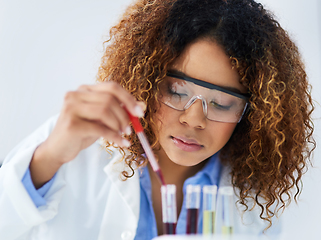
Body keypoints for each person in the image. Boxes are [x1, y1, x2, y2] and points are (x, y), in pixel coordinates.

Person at [0, 0, 315, 239]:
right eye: (177, 91)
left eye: (221, 103)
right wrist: (49, 156)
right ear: (147, 80)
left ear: (252, 114)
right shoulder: (79, 143)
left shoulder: (252, 204)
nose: (194, 120)